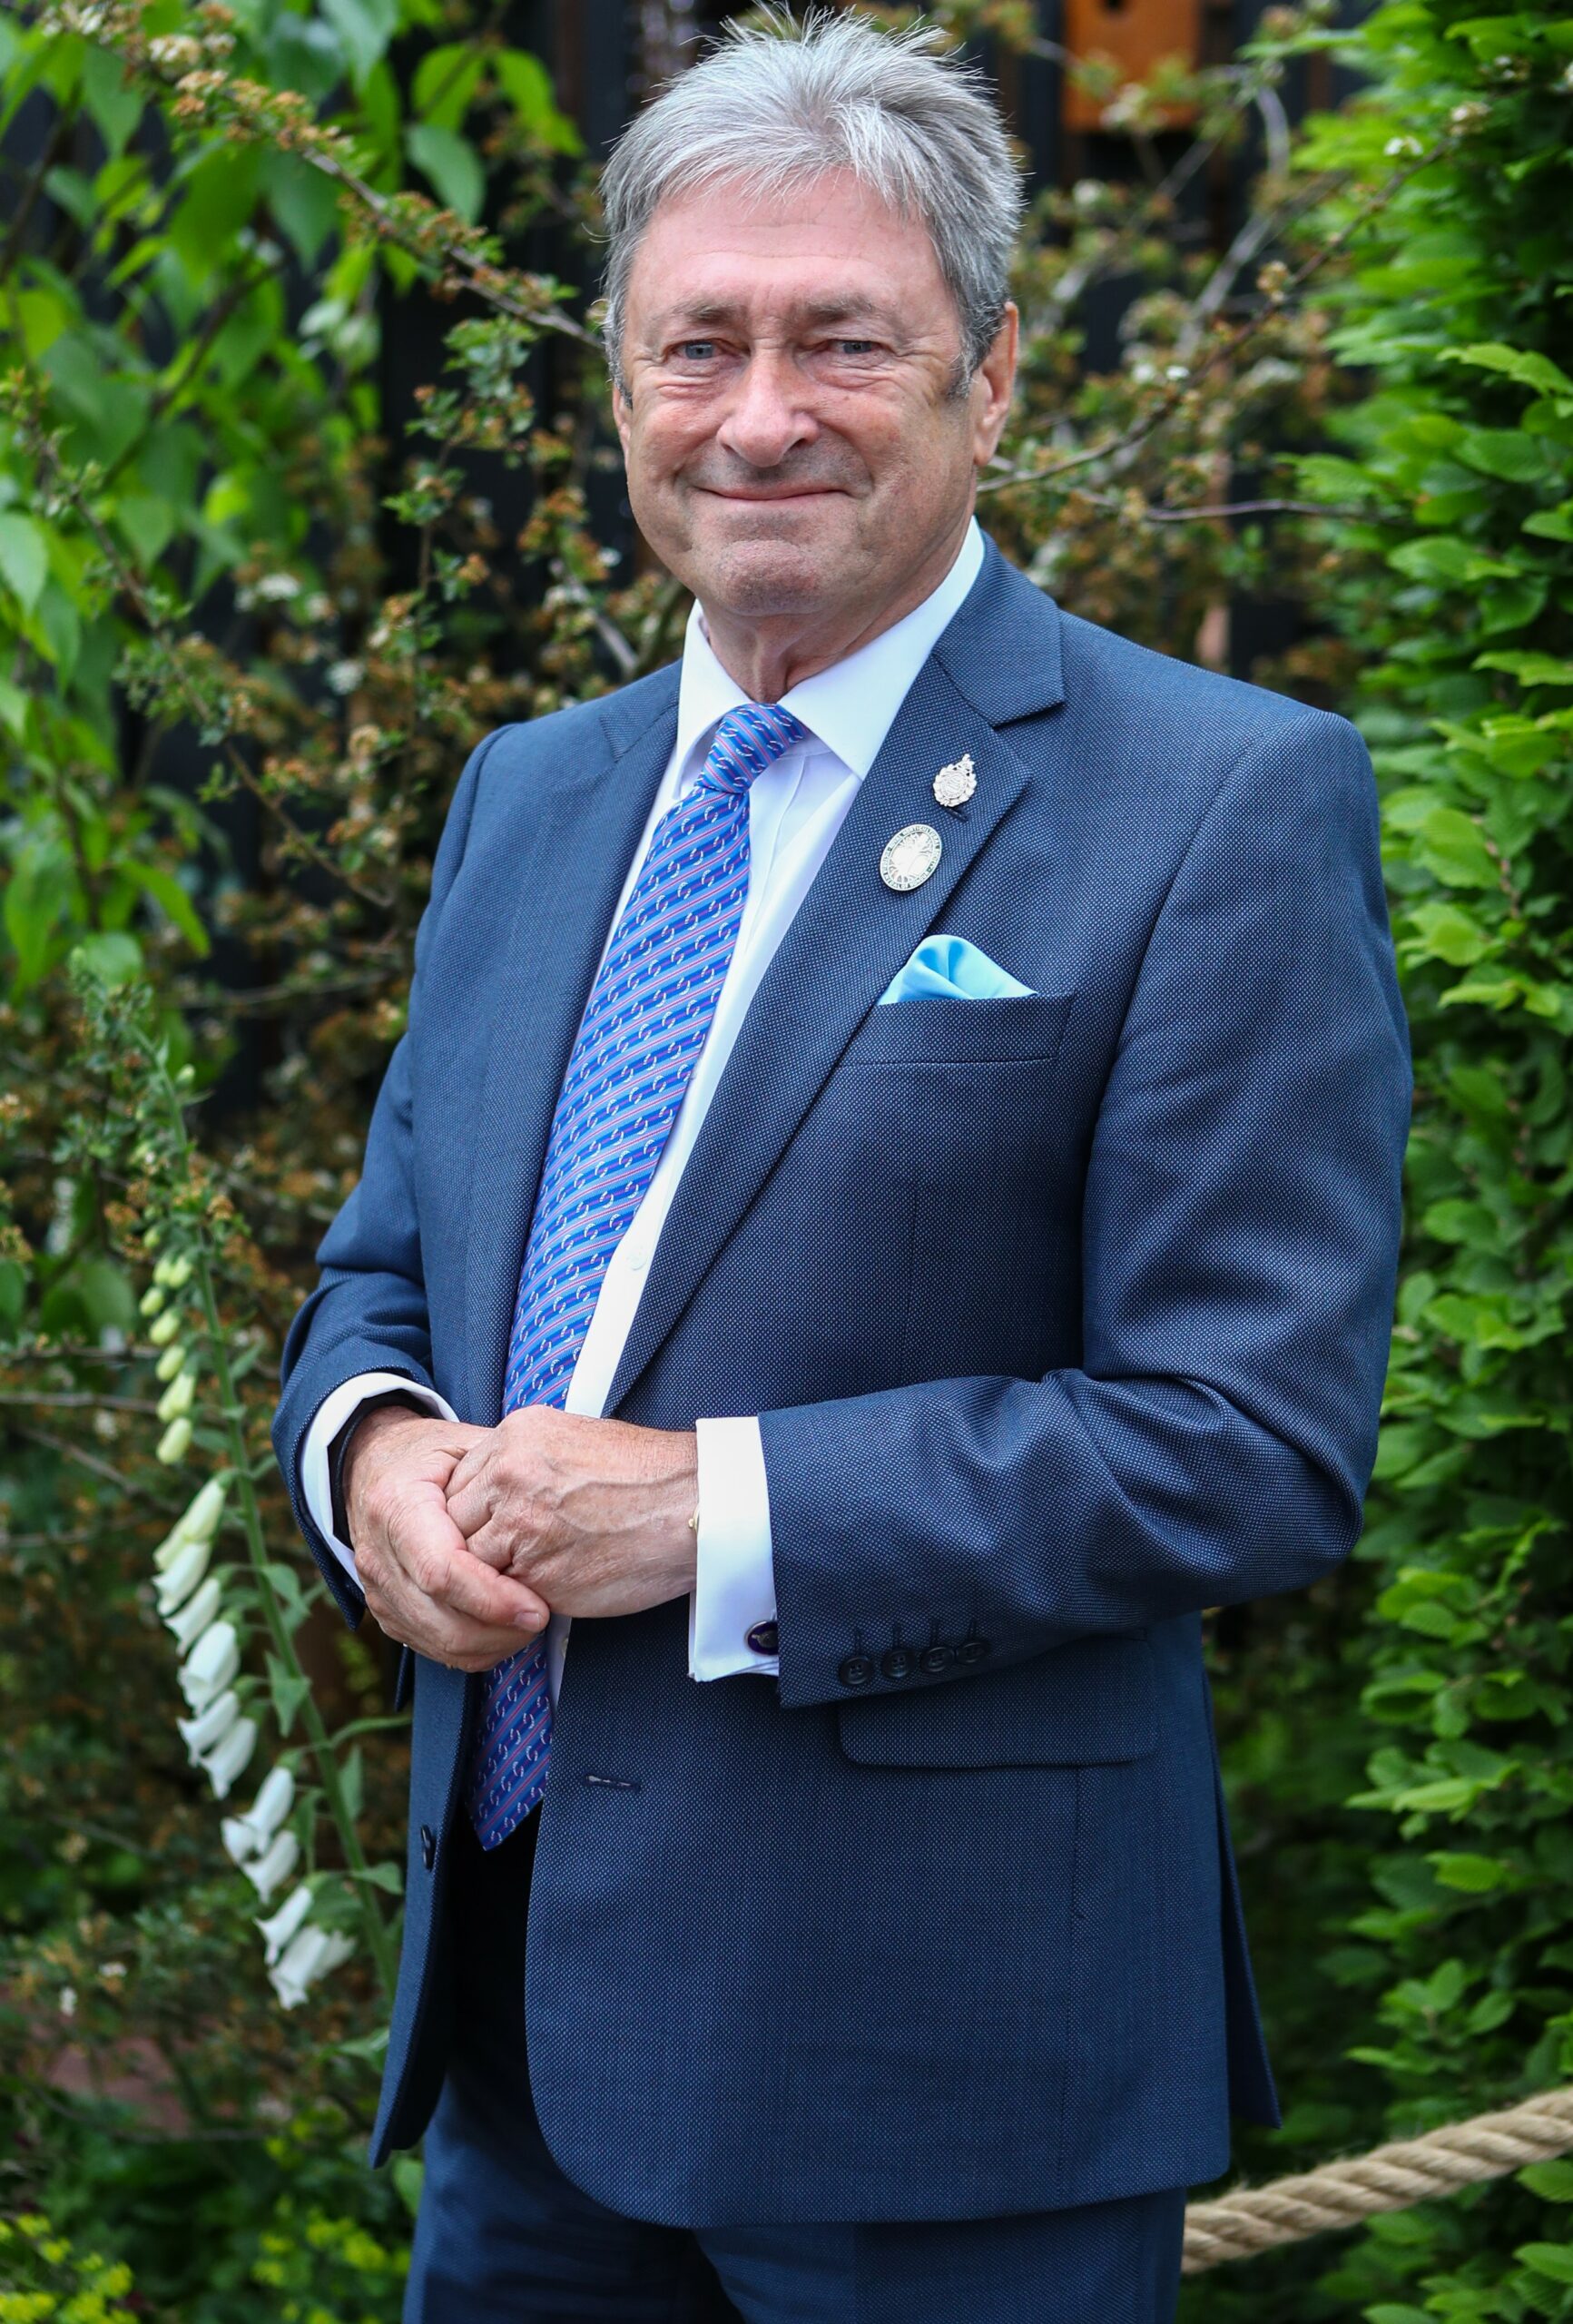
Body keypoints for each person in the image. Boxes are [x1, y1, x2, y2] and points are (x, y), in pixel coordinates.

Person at [271, 14, 1411, 2320]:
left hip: (940, 2086)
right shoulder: (533, 796)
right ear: (619, 388)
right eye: (696, 343)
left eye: (841, 342)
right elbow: (386, 1268)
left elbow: (1251, 1442)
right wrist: (368, 1452)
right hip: (521, 2060)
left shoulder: (1218, 803)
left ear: (993, 380)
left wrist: (714, 1513)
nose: (759, 413)